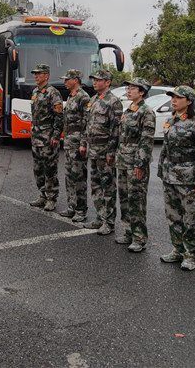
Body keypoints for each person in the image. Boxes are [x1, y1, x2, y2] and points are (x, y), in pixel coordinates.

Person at [157, 85, 195, 271]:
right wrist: (161, 171)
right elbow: (165, 149)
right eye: (172, 97)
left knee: (190, 218)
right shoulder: (171, 121)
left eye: (178, 97)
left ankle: (191, 254)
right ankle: (178, 249)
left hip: (188, 177)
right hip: (170, 176)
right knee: (172, 215)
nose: (174, 100)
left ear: (189, 101)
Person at [114, 77, 156, 252]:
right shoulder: (129, 109)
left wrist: (140, 164)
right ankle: (128, 231)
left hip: (135, 163)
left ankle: (139, 237)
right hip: (123, 161)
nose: (129, 90)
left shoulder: (146, 112)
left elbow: (146, 141)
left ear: (142, 92)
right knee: (124, 198)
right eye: (128, 88)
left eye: (133, 88)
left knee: (136, 200)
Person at [79, 69, 123, 235]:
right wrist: (83, 143)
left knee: (108, 187)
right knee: (96, 185)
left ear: (108, 82)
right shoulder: (93, 100)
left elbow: (115, 130)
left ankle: (109, 221)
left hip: (105, 151)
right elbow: (86, 124)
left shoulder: (114, 102)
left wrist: (111, 152)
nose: (95, 82)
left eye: (99, 80)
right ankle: (99, 216)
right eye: (94, 80)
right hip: (93, 150)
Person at [28, 64, 64, 211]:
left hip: (48, 137)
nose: (36, 76)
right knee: (38, 168)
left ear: (46, 76)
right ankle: (42, 195)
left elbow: (59, 116)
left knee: (50, 168)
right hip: (36, 135)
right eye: (35, 74)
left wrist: (56, 135)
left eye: (39, 74)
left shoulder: (53, 93)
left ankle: (51, 198)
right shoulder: (35, 91)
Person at [58, 69, 90, 222]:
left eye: (67, 79)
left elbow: (86, 123)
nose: (64, 82)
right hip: (69, 141)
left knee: (79, 177)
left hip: (77, 142)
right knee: (69, 176)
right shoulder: (71, 96)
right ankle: (72, 206)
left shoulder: (83, 97)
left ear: (76, 80)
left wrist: (83, 143)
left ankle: (81, 209)